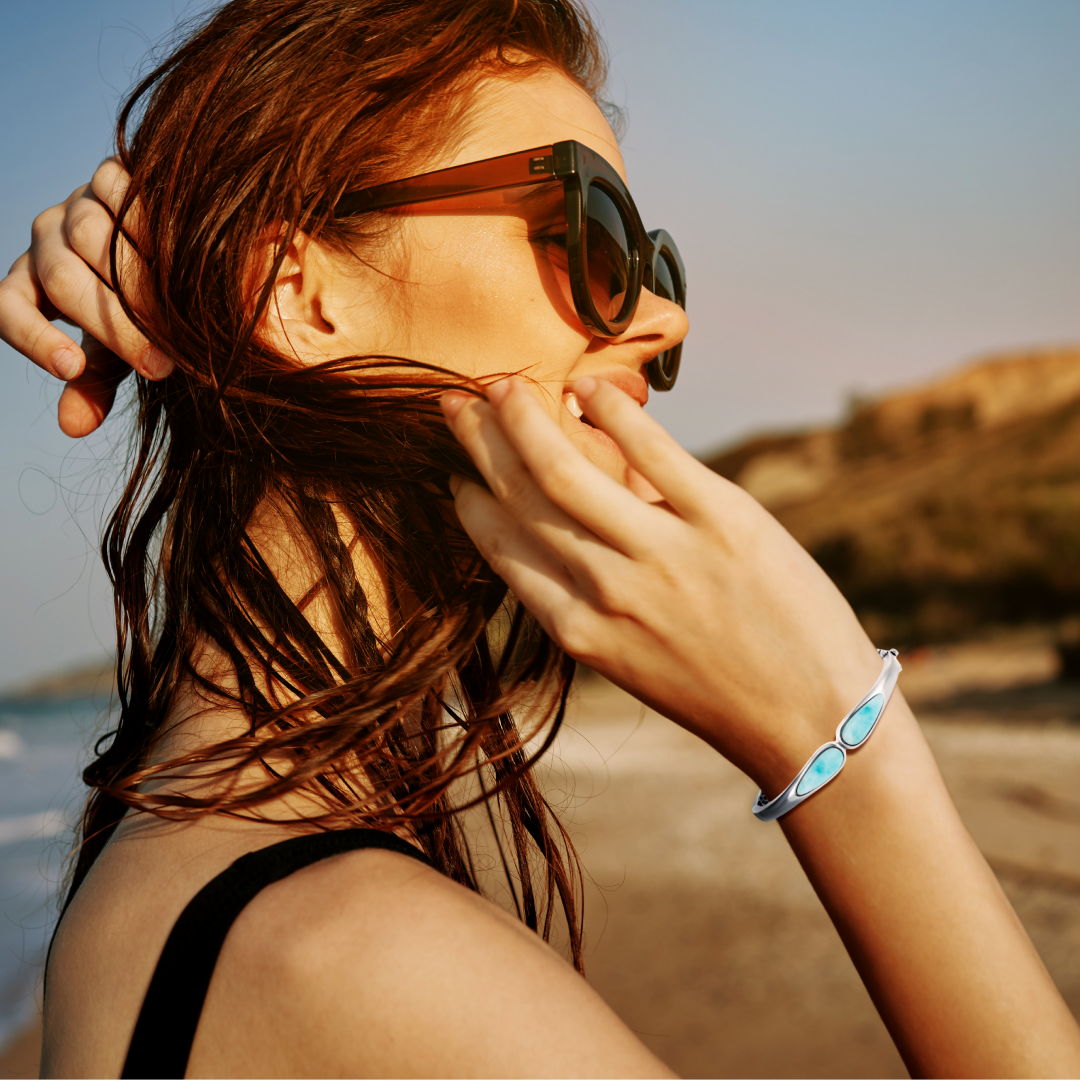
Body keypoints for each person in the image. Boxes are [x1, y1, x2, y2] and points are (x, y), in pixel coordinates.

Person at [2, 1, 1079, 1077]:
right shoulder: (375, 963)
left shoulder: (140, 870)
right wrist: (843, 743)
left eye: (657, 266)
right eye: (590, 231)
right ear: (300, 297)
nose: (665, 322)